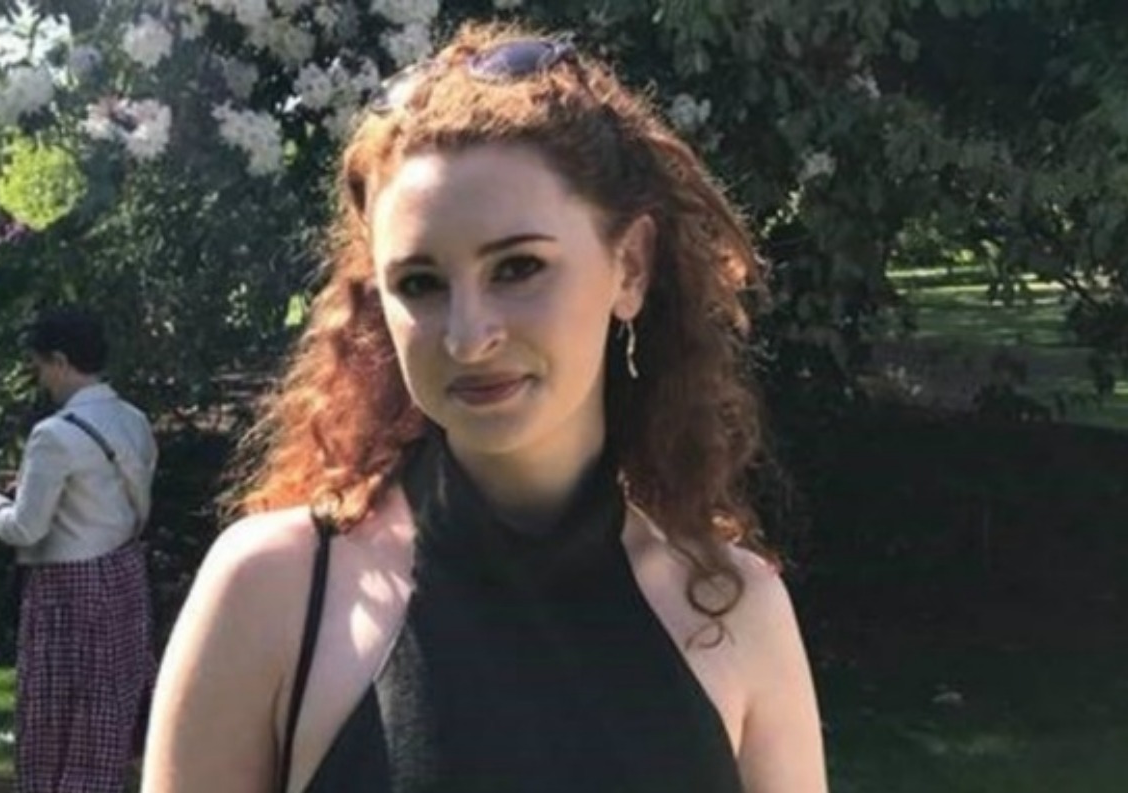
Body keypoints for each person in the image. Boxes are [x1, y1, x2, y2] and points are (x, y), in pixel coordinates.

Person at [144, 21, 826, 793]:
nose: (468, 338)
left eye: (518, 267)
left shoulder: (736, 613)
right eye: (420, 284)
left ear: (630, 266)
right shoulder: (275, 592)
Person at [0, 306, 159, 793]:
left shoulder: (53, 434)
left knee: (55, 725)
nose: (41, 377)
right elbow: (109, 496)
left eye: (41, 365)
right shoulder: (134, 421)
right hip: (123, 574)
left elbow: (25, 529)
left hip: (67, 590)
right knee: (106, 712)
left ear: (61, 361)